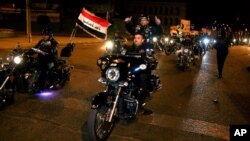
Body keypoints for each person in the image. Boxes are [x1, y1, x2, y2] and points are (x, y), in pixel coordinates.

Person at [124, 32, 154, 115]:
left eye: (138, 38)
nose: (136, 39)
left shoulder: (145, 48)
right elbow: (123, 53)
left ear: (142, 40)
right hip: (130, 69)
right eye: (135, 38)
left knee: (142, 80)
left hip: (140, 70)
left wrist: (149, 55)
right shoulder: (130, 48)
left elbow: (150, 55)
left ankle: (140, 105)